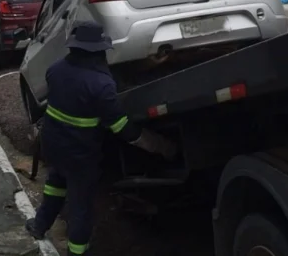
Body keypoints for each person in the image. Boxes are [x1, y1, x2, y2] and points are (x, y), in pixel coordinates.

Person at [25, 21, 176, 255]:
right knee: (80, 207)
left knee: (55, 186)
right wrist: (160, 146)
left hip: (53, 146)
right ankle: (77, 252)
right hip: (80, 156)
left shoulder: (55, 70)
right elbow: (123, 128)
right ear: (98, 50)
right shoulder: (101, 85)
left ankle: (39, 225)